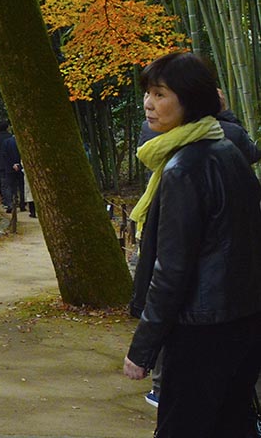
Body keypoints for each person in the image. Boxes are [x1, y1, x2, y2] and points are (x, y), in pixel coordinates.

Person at [122, 51, 261, 437]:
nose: (149, 103)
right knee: (233, 424)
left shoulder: (183, 168)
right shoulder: (227, 151)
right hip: (243, 322)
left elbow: (172, 269)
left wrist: (143, 349)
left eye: (161, 93)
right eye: (148, 93)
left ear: (191, 99)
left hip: (201, 331)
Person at [0, 132, 24, 213]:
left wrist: (12, 164)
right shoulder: (22, 142)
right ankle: (22, 204)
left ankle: (10, 204)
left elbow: (4, 155)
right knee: (21, 186)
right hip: (20, 167)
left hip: (9, 168)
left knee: (9, 186)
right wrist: (19, 164)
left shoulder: (6, 142)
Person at [0, 120, 15, 210]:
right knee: (12, 183)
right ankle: (13, 200)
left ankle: (7, 202)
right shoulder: (10, 137)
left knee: (4, 184)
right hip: (11, 163)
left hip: (0, 163)